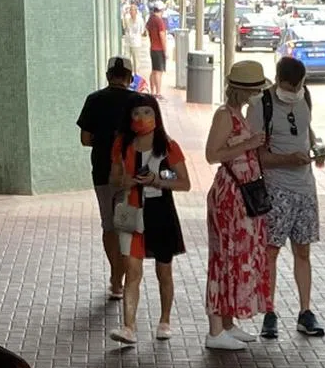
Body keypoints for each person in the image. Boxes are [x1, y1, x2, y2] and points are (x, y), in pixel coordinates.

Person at [249, 56, 325, 340]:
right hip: (276, 190)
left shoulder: (305, 97)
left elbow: (306, 131)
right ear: (277, 79)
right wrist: (287, 160)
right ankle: (269, 312)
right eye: (288, 86)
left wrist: (316, 148)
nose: (293, 91)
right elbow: (256, 155)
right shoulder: (261, 106)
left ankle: (305, 311)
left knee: (303, 251)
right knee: (271, 252)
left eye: (298, 86)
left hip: (306, 188)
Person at [108, 95, 191, 347]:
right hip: (130, 211)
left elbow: (184, 182)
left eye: (147, 112)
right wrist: (126, 181)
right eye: (136, 113)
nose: (141, 118)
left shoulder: (167, 145)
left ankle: (165, 320)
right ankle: (128, 326)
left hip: (160, 210)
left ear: (156, 115)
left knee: (163, 270)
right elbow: (114, 178)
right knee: (132, 270)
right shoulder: (122, 144)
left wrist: (158, 180)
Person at [204, 60, 271, 352]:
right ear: (243, 91)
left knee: (236, 256)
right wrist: (249, 144)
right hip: (230, 194)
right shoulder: (224, 116)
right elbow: (212, 154)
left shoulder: (237, 114)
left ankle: (227, 324)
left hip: (241, 193)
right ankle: (216, 329)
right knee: (225, 258)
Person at [77, 56, 138, 302]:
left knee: (109, 226)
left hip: (102, 172)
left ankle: (115, 279)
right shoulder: (139, 101)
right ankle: (119, 279)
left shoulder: (94, 100)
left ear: (108, 75)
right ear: (130, 77)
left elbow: (85, 139)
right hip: (130, 175)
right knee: (126, 228)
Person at [145, 1, 168, 96]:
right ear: (161, 10)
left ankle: (152, 90)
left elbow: (145, 30)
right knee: (159, 71)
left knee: (154, 70)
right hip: (158, 49)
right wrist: (165, 50)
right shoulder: (159, 21)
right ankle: (158, 92)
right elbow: (162, 35)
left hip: (152, 48)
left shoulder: (151, 19)